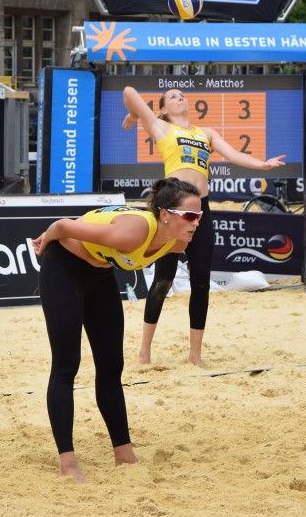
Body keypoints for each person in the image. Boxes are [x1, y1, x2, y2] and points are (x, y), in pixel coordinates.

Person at [32, 177, 202, 483]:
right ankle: (68, 463)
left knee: (111, 366)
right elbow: (62, 226)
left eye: (199, 215)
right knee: (66, 365)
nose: (196, 222)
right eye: (190, 215)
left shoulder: (178, 241)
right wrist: (44, 243)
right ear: (165, 214)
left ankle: (124, 454)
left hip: (99, 275)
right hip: (63, 268)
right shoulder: (134, 231)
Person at [122, 86, 285, 367]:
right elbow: (128, 91)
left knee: (201, 284)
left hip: (201, 211)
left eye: (182, 94)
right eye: (172, 96)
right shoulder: (161, 128)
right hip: (173, 213)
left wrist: (263, 165)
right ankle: (144, 351)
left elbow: (233, 155)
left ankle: (195, 356)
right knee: (163, 280)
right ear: (162, 110)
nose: (180, 97)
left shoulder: (205, 133)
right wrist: (135, 114)